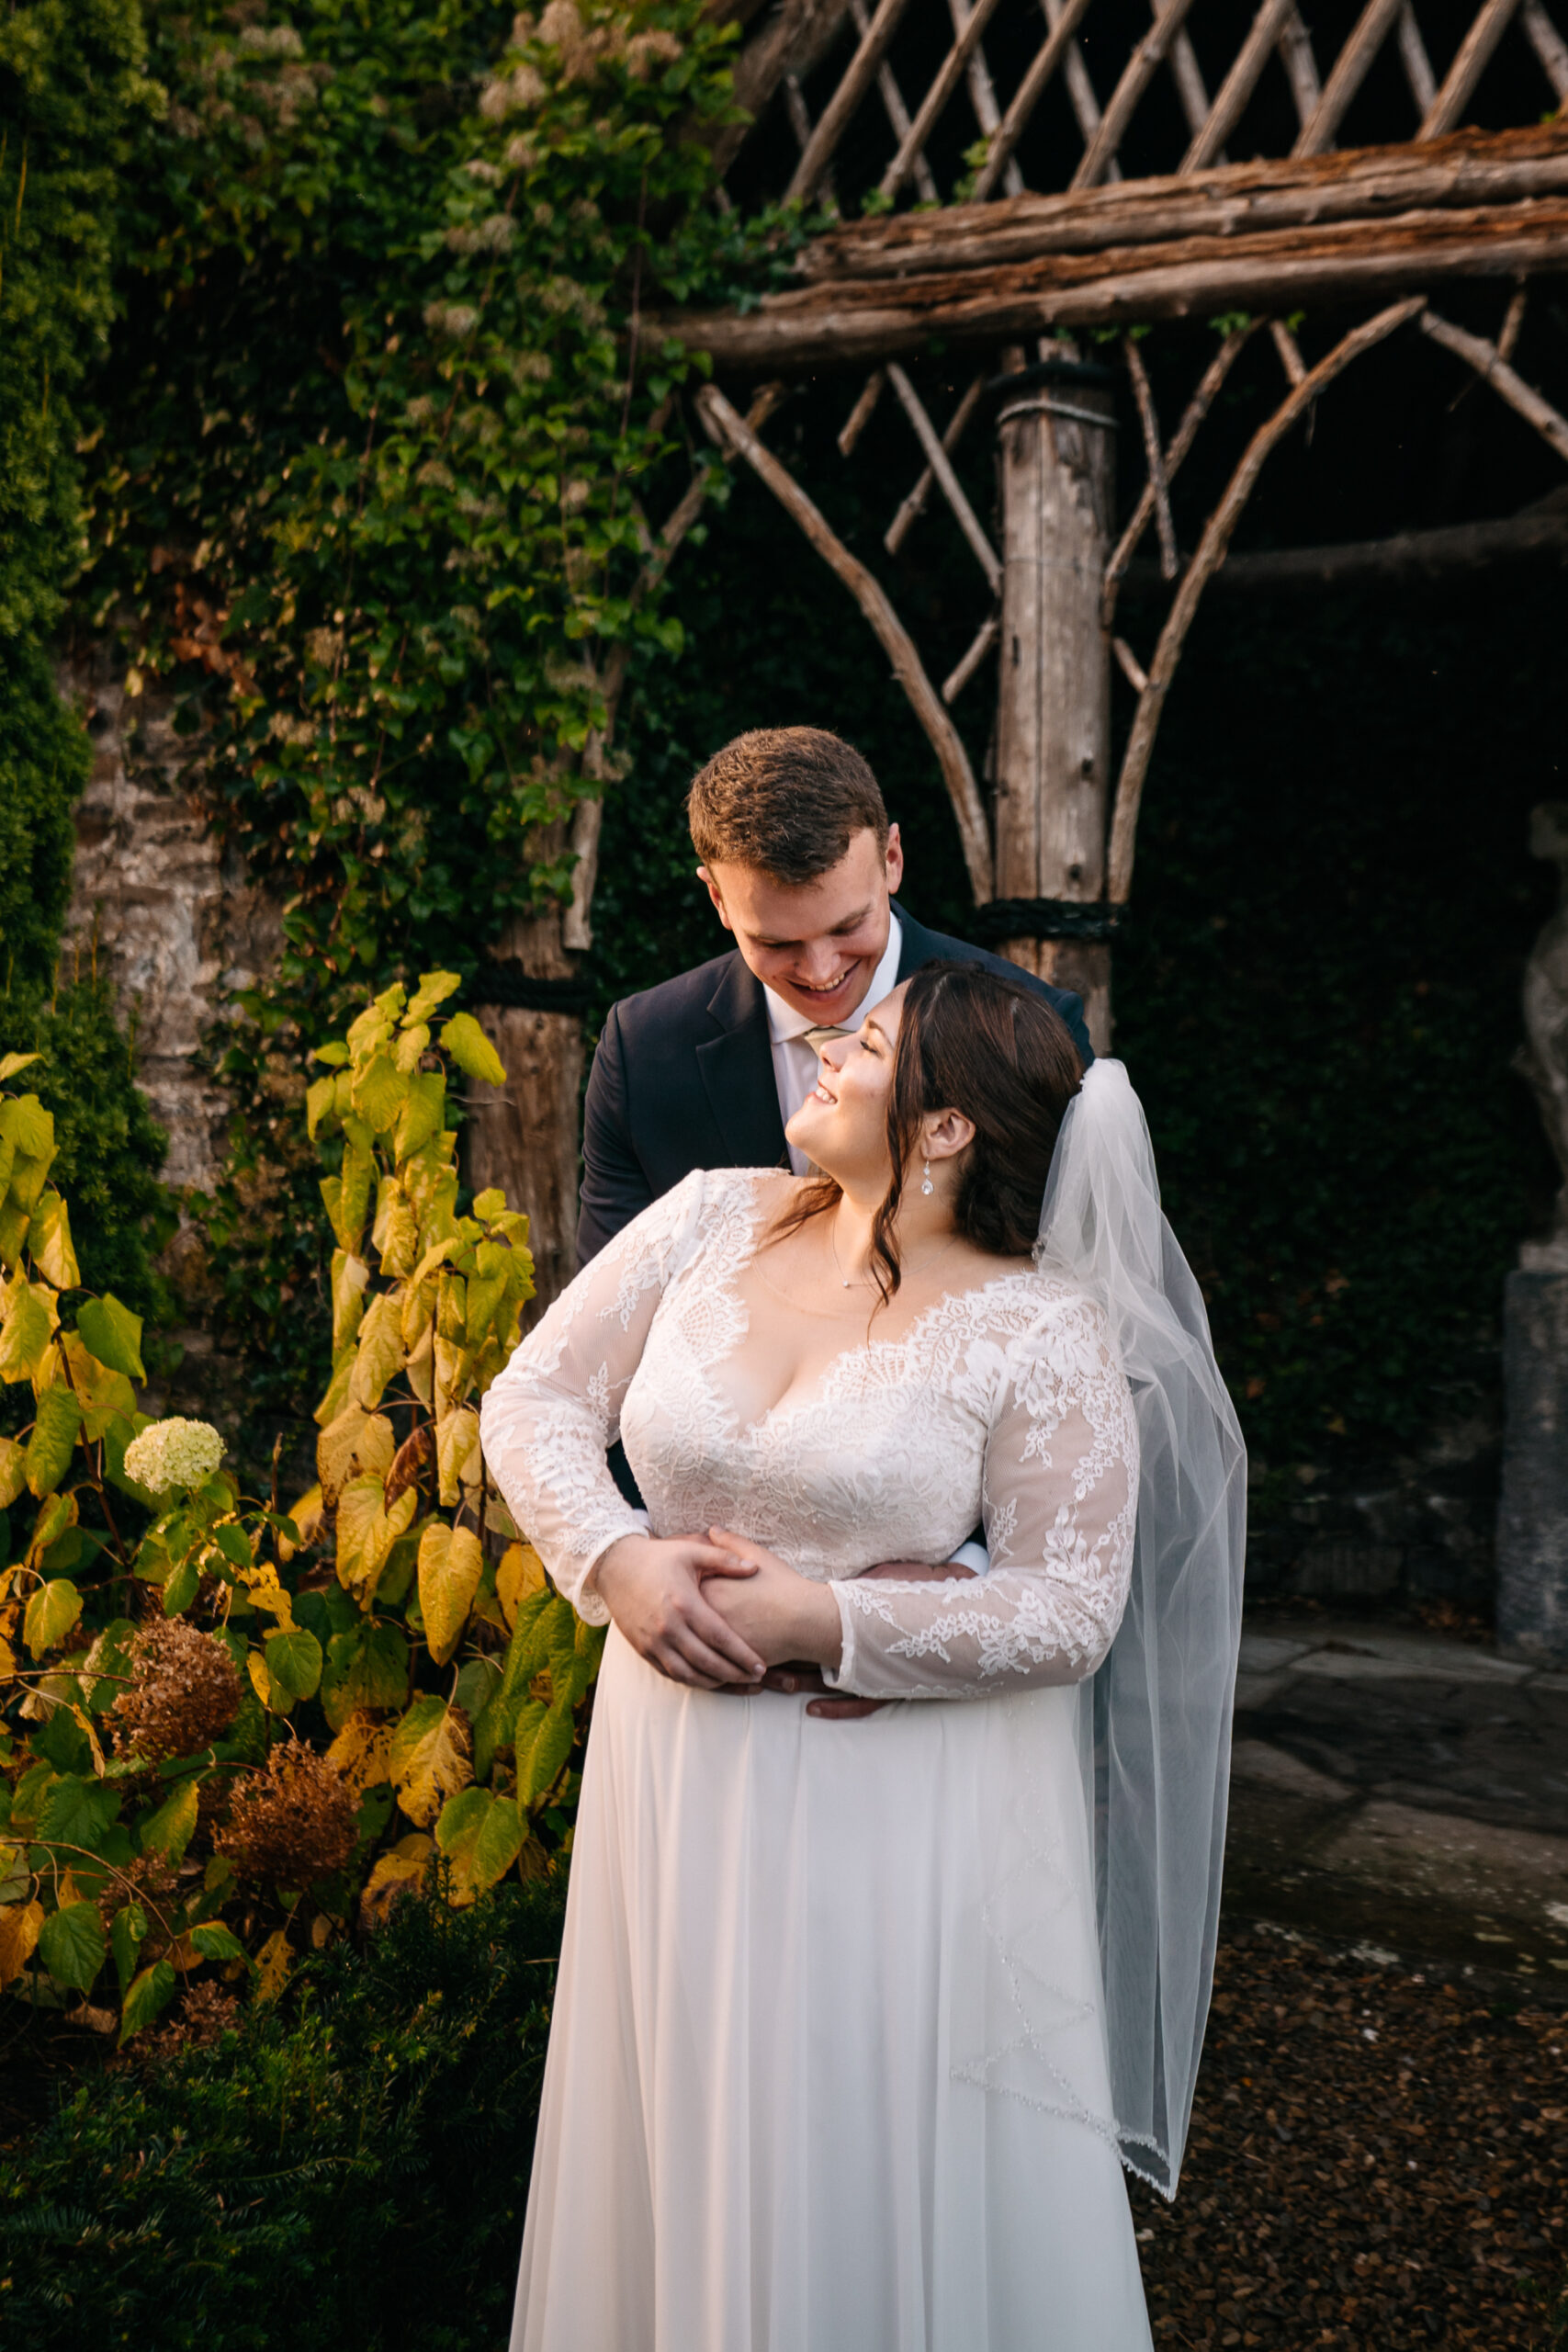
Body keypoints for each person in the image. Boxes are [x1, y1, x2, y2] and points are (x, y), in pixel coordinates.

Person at [480, 962, 1247, 2352]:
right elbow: (533, 1396)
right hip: (670, 1781)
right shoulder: (704, 1217)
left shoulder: (1042, 1327)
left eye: (869, 1043)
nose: (826, 1046)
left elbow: (1070, 1604)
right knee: (676, 2123)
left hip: (883, 1819)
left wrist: (828, 1622)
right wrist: (617, 1558)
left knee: (838, 2135)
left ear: (944, 1128)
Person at [575, 724, 1093, 1267]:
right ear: (717, 899)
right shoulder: (645, 1050)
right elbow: (607, 1300)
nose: (821, 972)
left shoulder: (1030, 1025)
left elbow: (1078, 1274)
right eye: (776, 942)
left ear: (891, 858)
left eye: (848, 927)